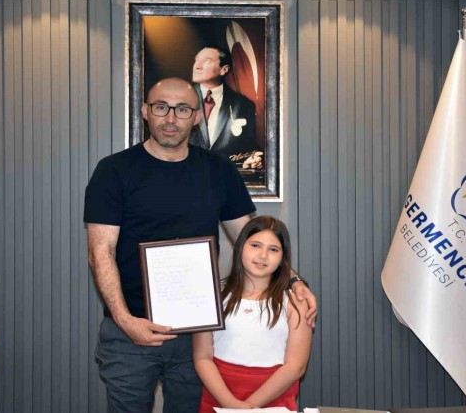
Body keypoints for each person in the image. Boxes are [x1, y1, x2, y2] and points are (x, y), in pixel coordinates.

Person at [84, 77, 316, 413]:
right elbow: (100, 253)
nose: (170, 118)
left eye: (182, 109)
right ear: (145, 112)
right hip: (130, 332)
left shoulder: (218, 170)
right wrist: (124, 320)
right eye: (161, 107)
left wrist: (293, 280)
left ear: (196, 117)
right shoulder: (113, 171)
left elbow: (251, 238)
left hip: (199, 335)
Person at [193, 216, 311, 412]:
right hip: (219, 397)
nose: (263, 255)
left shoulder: (296, 302)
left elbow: (296, 366)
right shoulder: (213, 295)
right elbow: (202, 357)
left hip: (274, 398)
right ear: (240, 246)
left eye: (273, 249)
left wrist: (250, 406)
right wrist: (230, 404)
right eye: (255, 245)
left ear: (283, 258)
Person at [189, 46, 263, 169]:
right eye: (196, 60)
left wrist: (249, 160)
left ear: (224, 69)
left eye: (206, 60)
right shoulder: (180, 99)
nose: (197, 66)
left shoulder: (243, 105)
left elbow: (247, 146)